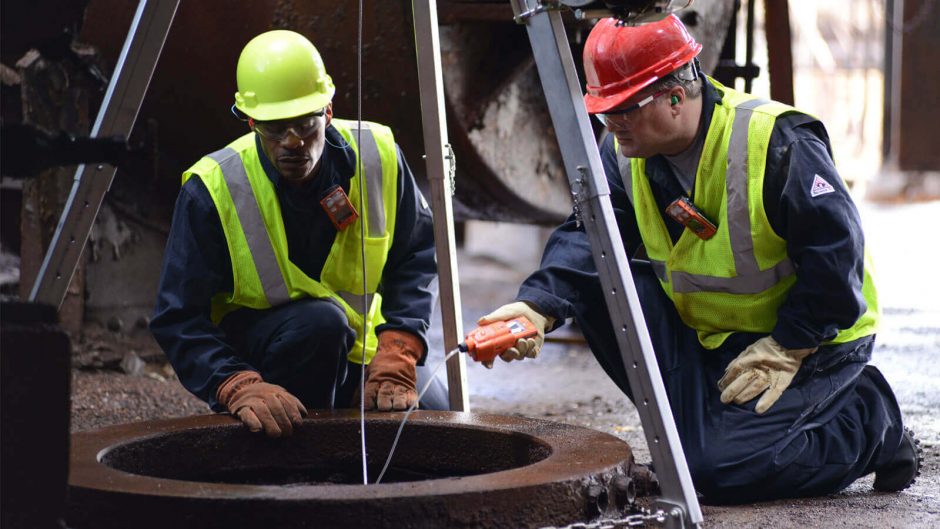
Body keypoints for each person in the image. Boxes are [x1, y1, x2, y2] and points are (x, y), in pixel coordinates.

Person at [480, 15, 921, 503]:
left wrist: (790, 344)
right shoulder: (622, 153)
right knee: (598, 290)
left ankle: (869, 419)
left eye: (624, 108)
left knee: (716, 472)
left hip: (812, 339)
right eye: (605, 110)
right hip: (714, 337)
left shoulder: (776, 143)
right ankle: (702, 437)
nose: (612, 123)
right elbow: (591, 238)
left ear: (675, 95)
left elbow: (836, 260)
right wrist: (536, 307)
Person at [151, 30, 445, 438]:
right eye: (275, 129)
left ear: (327, 111)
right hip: (271, 355)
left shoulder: (378, 154)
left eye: (305, 125)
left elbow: (415, 255)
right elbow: (178, 317)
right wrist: (234, 383)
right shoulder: (213, 188)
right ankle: (302, 454)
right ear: (251, 122)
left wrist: (399, 349)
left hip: (363, 350)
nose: (293, 143)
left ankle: (348, 395)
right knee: (321, 324)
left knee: (437, 417)